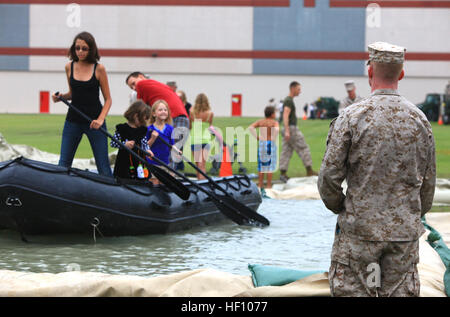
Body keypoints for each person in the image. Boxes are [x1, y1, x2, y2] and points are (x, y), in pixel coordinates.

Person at [318, 42, 436, 297]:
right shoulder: (420, 121)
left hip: (359, 232)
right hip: (403, 235)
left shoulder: (351, 117)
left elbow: (328, 180)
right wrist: (409, 214)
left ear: (369, 72)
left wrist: (345, 207)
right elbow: (428, 185)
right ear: (401, 74)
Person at [52, 31, 113, 177]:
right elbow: (73, 94)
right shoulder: (69, 67)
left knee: (103, 167)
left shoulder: (99, 69)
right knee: (63, 164)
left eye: (84, 48)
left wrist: (100, 119)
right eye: (77, 48)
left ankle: (111, 196)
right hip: (73, 121)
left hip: (94, 122)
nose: (80, 51)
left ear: (91, 49)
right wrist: (61, 97)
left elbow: (108, 99)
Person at [125, 72, 189, 169]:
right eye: (131, 87)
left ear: (141, 77)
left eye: (133, 83)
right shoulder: (155, 85)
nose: (134, 88)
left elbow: (139, 109)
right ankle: (167, 176)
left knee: (170, 155)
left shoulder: (141, 84)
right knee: (171, 154)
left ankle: (164, 179)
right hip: (181, 118)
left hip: (174, 118)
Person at [279, 81, 317, 182]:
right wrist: (287, 131)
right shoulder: (288, 101)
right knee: (303, 148)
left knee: (286, 151)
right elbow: (285, 115)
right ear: (293, 88)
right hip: (291, 129)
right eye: (298, 89)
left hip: (287, 129)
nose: (300, 91)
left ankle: (283, 173)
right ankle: (309, 170)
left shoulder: (287, 100)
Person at [110, 100, 150, 179]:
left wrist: (148, 150)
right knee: (123, 177)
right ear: (135, 116)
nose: (144, 123)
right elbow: (113, 143)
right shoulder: (121, 128)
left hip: (139, 160)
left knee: (140, 178)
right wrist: (124, 144)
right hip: (124, 160)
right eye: (143, 120)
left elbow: (144, 143)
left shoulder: (142, 130)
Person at [143, 100, 179, 184]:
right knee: (154, 183)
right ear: (154, 113)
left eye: (165, 110)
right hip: (152, 164)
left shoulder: (170, 129)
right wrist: (152, 139)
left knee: (164, 185)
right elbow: (144, 147)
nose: (163, 112)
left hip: (165, 164)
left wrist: (176, 150)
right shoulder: (149, 129)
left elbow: (172, 145)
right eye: (160, 110)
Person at [249, 106, 279, 198]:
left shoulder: (261, 122)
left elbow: (251, 128)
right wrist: (274, 136)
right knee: (270, 165)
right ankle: (269, 186)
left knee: (261, 165)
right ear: (272, 114)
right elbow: (277, 129)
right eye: (275, 113)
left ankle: (260, 185)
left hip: (262, 143)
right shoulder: (274, 122)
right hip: (270, 143)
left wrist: (257, 137)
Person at [190, 93, 213, 180]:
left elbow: (190, 126)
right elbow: (210, 126)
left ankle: (200, 183)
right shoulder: (210, 113)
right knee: (202, 165)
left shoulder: (192, 112)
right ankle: (203, 183)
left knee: (198, 164)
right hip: (206, 139)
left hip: (195, 139)